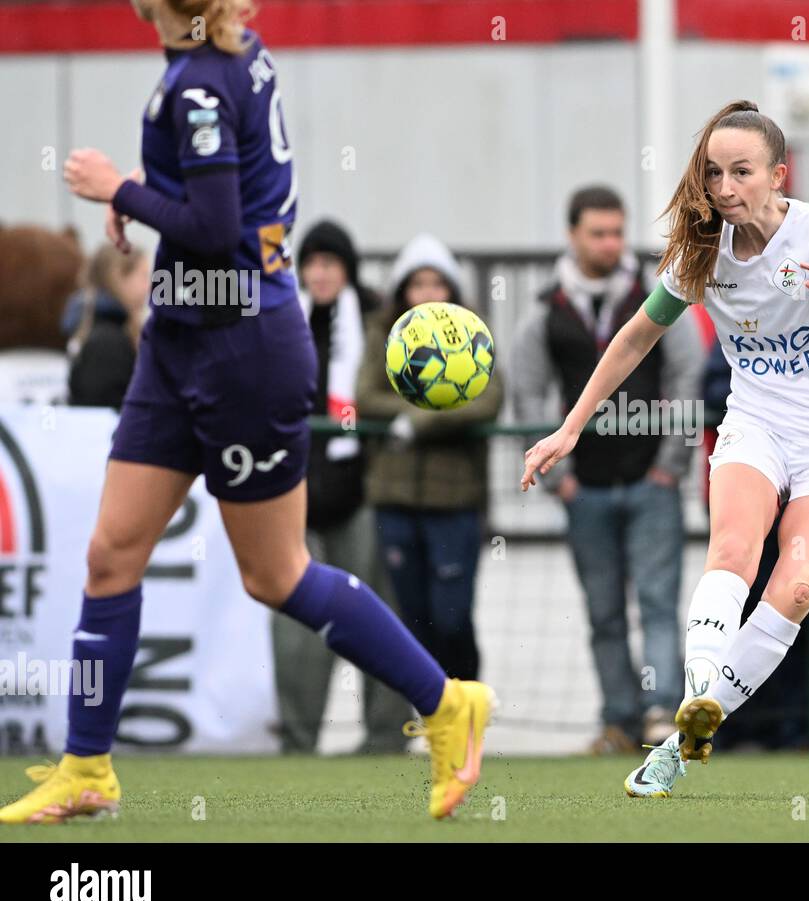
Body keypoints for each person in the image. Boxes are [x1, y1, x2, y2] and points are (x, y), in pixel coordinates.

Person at [0, 0, 491, 825]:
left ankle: (446, 703)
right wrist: (145, 196)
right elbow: (212, 197)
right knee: (110, 553)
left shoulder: (198, 81)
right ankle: (87, 765)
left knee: (276, 574)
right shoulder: (230, 51)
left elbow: (217, 223)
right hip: (180, 343)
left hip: (242, 354)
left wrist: (115, 186)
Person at [520, 100, 809, 797]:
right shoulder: (700, 250)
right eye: (714, 173)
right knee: (733, 553)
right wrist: (570, 426)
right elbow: (634, 337)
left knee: (798, 588)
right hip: (757, 424)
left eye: (740, 172)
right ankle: (696, 696)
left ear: (777, 174)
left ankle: (683, 742)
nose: (723, 187)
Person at [512, 186, 703, 753]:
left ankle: (662, 717)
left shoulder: (655, 293)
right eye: (597, 233)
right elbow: (526, 394)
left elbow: (687, 377)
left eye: (617, 232)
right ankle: (618, 721)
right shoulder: (545, 309)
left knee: (659, 604)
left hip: (652, 484)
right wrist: (558, 481)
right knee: (603, 613)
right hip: (584, 489)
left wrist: (670, 466)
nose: (609, 243)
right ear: (572, 234)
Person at [268, 218, 414, 754]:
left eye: (331, 263)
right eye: (312, 263)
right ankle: (298, 738)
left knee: (376, 617)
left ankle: (384, 737)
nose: (321, 273)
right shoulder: (283, 318)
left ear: (347, 269)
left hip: (360, 492)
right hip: (294, 495)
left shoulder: (376, 324)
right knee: (296, 630)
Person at [357, 232, 503, 683]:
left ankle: (466, 706)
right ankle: (428, 716)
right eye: (417, 284)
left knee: (453, 617)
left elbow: (488, 400)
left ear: (452, 290)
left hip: (455, 501)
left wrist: (419, 422)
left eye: (436, 284)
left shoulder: (473, 335)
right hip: (394, 499)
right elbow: (366, 397)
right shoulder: (384, 335)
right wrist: (415, 408)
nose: (426, 294)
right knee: (411, 618)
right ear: (402, 290)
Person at [66, 244, 151, 408]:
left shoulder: (99, 330)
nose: (149, 286)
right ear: (119, 277)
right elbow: (108, 411)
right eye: (143, 276)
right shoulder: (108, 343)